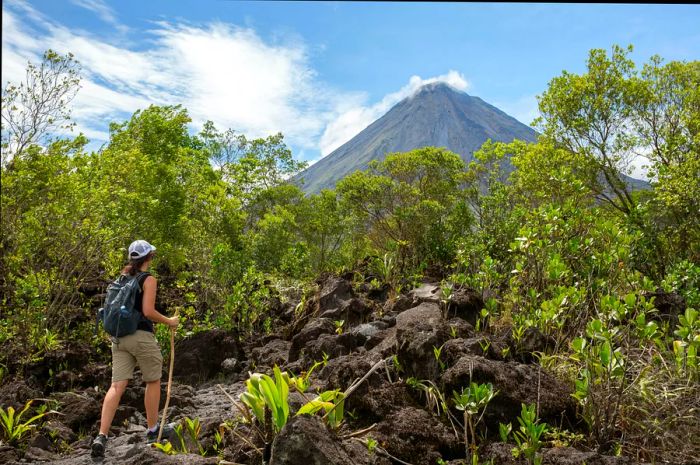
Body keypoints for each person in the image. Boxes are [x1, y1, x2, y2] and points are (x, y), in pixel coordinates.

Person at [91, 240, 179, 457]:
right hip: (140, 336)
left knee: (117, 386)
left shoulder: (121, 278)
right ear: (149, 257)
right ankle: (152, 430)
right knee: (153, 380)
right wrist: (170, 321)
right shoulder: (148, 279)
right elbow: (148, 311)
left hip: (119, 338)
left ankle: (101, 436)